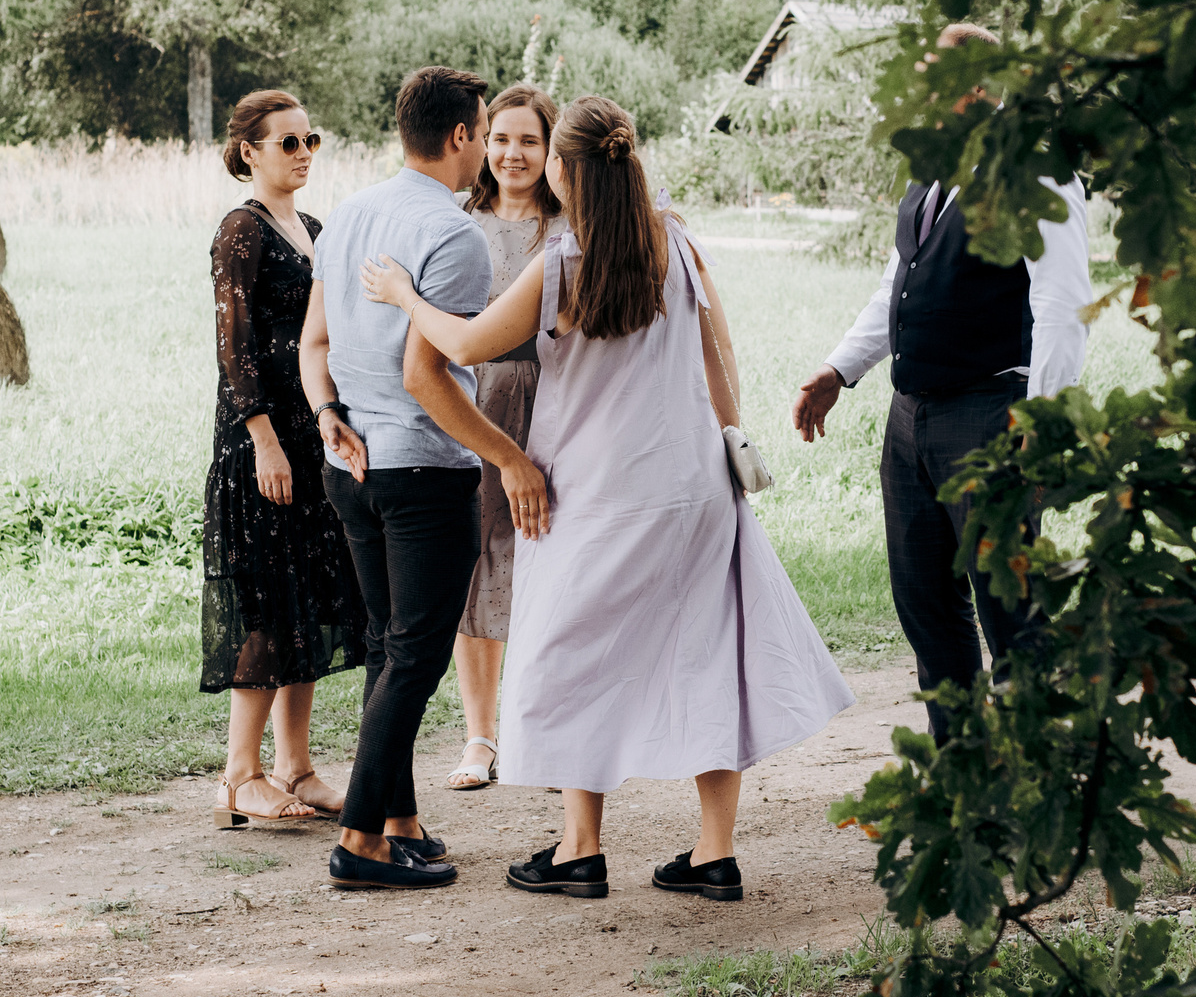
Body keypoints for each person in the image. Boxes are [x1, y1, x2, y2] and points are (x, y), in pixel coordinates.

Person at [363, 94, 854, 903]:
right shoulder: (679, 242)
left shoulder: (562, 263)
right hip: (693, 486)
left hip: (586, 494)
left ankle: (580, 847)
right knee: (708, 656)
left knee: (567, 657)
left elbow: (464, 343)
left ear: (562, 168)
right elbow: (717, 350)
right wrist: (733, 442)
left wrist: (402, 295)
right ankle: (713, 851)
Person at [789, 24, 1092, 742]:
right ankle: (963, 783)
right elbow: (901, 278)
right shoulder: (933, 170)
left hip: (989, 415)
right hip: (912, 417)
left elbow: (1062, 307)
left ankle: (1033, 790)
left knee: (1010, 610)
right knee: (927, 605)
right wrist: (840, 367)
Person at [299, 66, 550, 891]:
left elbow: (318, 341)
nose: (487, 146)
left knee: (385, 644)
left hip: (352, 466)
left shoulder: (349, 214)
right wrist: (509, 456)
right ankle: (361, 840)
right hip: (420, 471)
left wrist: (328, 411)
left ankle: (399, 818)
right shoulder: (456, 235)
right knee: (413, 655)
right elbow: (428, 375)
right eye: (484, 131)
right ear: (461, 138)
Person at [200, 90, 366, 832]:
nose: (303, 154)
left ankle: (297, 765)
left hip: (313, 437)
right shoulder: (242, 230)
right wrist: (263, 437)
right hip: (259, 442)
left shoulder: (319, 230)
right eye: (288, 143)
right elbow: (233, 346)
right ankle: (241, 774)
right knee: (268, 604)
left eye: (310, 140)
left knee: (310, 601)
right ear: (250, 152)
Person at [445, 84, 560, 793]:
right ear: (483, 144)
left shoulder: (568, 225)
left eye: (529, 141)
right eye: (502, 139)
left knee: (549, 559)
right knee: (475, 561)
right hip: (472, 403)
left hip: (553, 401)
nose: (513, 153)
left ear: (551, 151)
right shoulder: (461, 221)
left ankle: (544, 731)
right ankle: (480, 737)